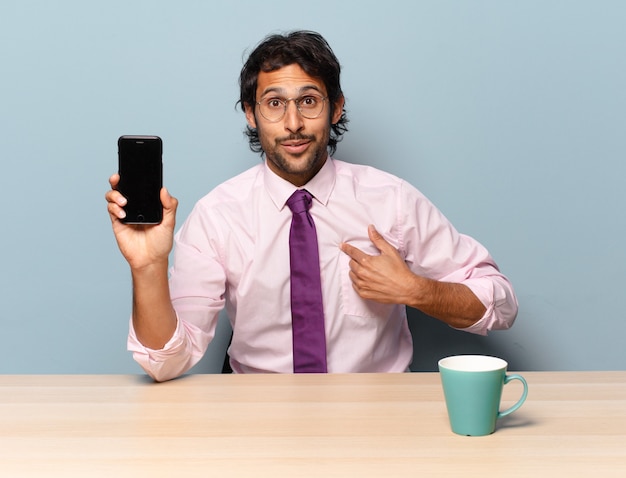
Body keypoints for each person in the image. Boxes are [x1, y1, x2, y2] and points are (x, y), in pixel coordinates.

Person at [106, 30, 518, 381]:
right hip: (256, 420)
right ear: (251, 114)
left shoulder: (390, 200)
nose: (293, 124)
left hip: (378, 415)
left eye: (308, 101)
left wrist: (417, 290)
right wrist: (148, 267)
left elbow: (500, 302)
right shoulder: (218, 216)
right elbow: (167, 362)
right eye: (274, 103)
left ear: (335, 107)